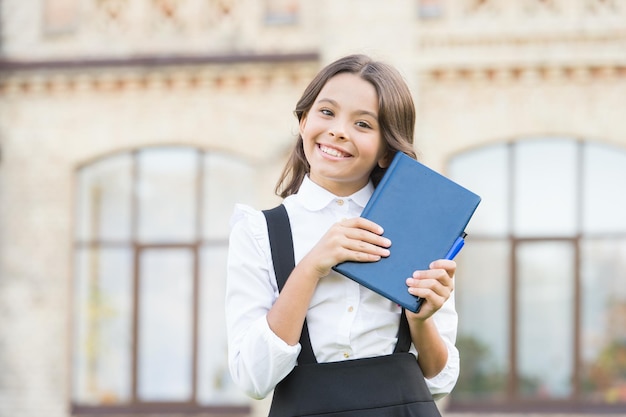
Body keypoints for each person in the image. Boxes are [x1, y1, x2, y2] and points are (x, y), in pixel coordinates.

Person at [226, 54, 459, 415]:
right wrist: (311, 267)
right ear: (303, 121)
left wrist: (420, 320)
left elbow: (439, 382)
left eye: (363, 124)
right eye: (326, 112)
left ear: (386, 151)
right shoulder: (259, 232)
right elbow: (252, 379)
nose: (338, 130)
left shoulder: (418, 225)